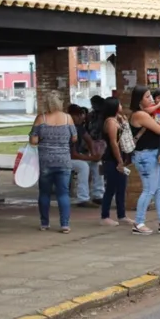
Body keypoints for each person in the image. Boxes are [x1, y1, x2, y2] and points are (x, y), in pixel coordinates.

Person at [129, 86, 160, 235]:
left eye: (150, 96)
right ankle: (138, 223)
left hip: (157, 154)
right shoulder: (140, 115)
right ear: (139, 101)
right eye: (147, 97)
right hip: (146, 156)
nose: (151, 99)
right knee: (149, 189)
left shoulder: (150, 113)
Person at [29, 91, 77, 233]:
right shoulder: (68, 118)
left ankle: (44, 223)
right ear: (60, 102)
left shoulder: (41, 118)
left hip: (46, 162)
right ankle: (65, 225)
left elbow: (33, 140)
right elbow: (74, 138)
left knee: (44, 193)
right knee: (63, 194)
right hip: (64, 161)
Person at [99, 98, 134, 227]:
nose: (121, 105)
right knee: (111, 188)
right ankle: (105, 216)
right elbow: (114, 143)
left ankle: (122, 215)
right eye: (119, 104)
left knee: (121, 187)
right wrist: (119, 161)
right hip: (112, 159)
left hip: (121, 157)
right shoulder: (110, 122)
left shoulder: (117, 119)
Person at [67, 104, 100, 205]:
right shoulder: (68, 128)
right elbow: (73, 155)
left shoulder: (79, 127)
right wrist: (91, 157)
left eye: (81, 115)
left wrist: (94, 155)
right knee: (83, 166)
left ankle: (98, 195)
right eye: (78, 115)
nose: (81, 118)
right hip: (63, 158)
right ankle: (83, 198)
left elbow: (89, 140)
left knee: (97, 164)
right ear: (71, 115)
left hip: (74, 157)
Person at [86, 95, 107, 205]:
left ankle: (98, 193)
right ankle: (97, 193)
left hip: (100, 143)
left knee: (98, 168)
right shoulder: (93, 115)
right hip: (94, 142)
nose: (93, 106)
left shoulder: (102, 115)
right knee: (96, 168)